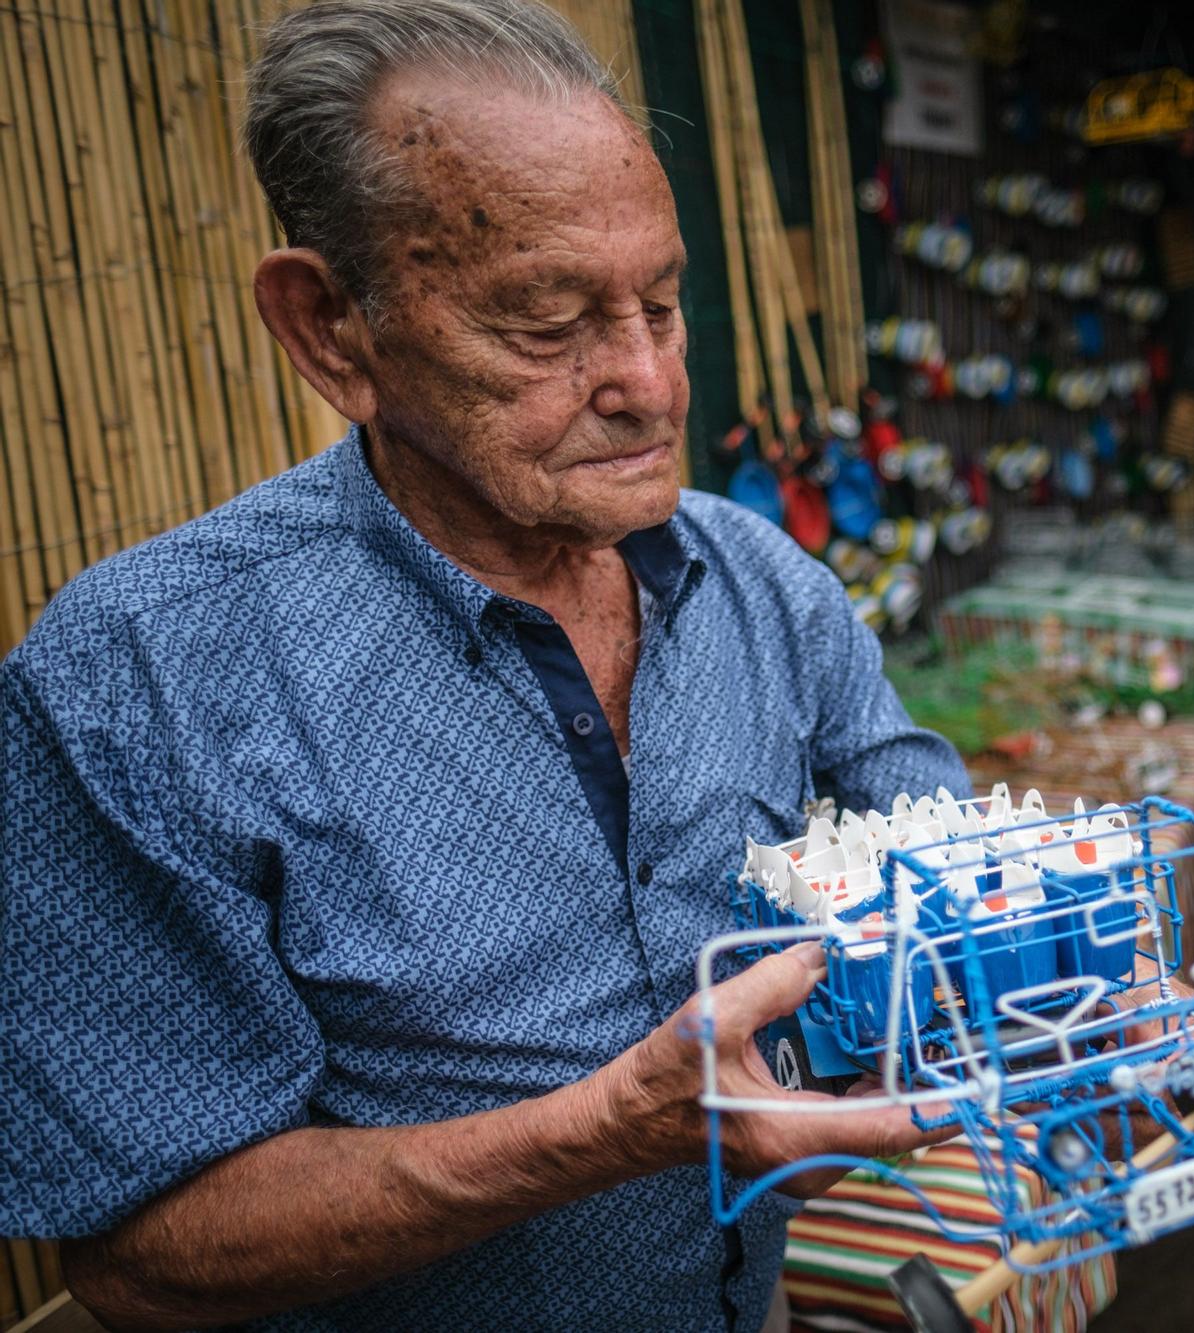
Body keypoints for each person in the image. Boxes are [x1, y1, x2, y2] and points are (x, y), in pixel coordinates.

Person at [0, 2, 966, 1329]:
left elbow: (949, 851)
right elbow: (141, 1257)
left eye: (666, 304)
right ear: (332, 330)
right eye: (546, 324)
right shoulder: (143, 680)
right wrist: (603, 1131)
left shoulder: (767, 588)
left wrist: (1031, 948)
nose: (648, 382)